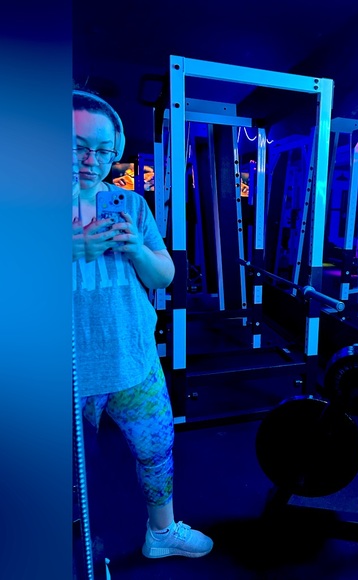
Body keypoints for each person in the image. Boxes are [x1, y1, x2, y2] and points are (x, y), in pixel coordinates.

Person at [72, 89, 213, 559]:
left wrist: (136, 250)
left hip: (134, 357)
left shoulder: (131, 205)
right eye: (77, 146)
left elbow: (164, 275)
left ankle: (162, 532)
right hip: (66, 372)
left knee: (157, 450)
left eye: (103, 150)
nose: (91, 160)